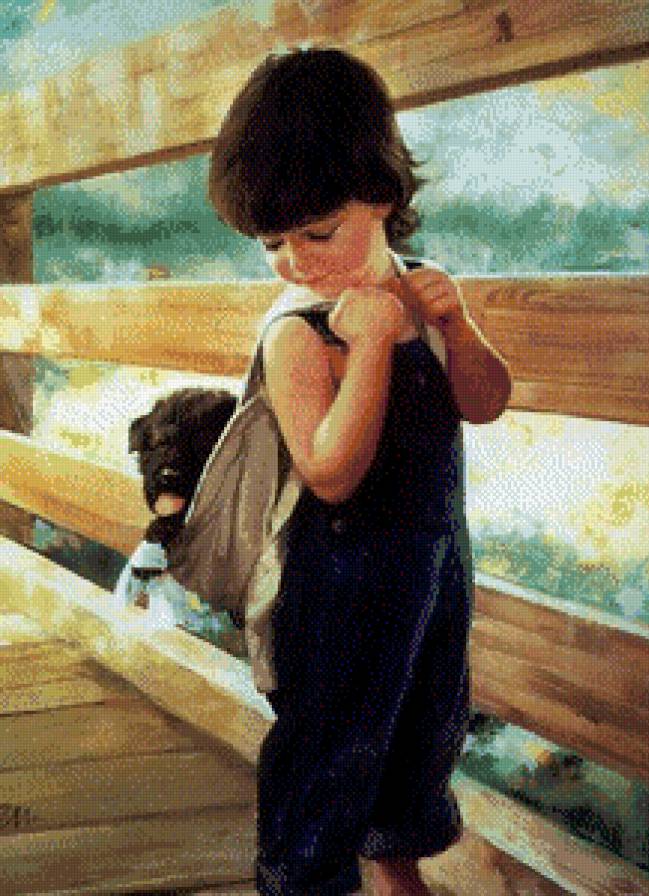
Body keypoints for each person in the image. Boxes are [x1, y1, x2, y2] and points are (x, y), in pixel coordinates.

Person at [208, 47, 511, 896]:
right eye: (272, 243)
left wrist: (459, 326)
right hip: (336, 589)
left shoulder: (418, 293)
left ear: (380, 196)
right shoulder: (299, 333)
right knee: (332, 746)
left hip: (431, 573)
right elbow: (330, 473)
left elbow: (484, 403)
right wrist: (371, 345)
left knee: (419, 730)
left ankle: (395, 869)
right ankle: (305, 881)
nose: (297, 261)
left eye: (317, 233)